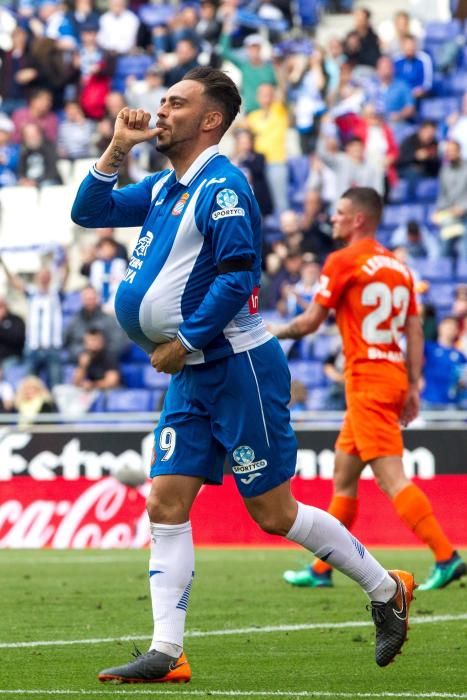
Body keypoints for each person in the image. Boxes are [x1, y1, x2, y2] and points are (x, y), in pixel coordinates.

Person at [71, 67, 417, 683]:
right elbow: (88, 210)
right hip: (192, 373)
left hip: (238, 367)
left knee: (273, 513)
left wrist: (186, 339)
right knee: (165, 501)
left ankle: (386, 587)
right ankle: (167, 651)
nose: (162, 110)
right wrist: (117, 148)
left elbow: (238, 276)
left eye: (176, 103)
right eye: (163, 99)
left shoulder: (224, 187)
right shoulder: (162, 186)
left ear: (209, 120)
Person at [270, 187, 466, 592]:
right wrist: (412, 384)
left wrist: (272, 331)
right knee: (344, 476)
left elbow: (309, 322)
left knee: (392, 478)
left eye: (340, 212)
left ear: (359, 219)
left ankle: (447, 556)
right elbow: (413, 329)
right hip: (392, 375)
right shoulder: (397, 266)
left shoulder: (344, 260)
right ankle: (322, 569)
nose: (333, 218)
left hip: (367, 380)